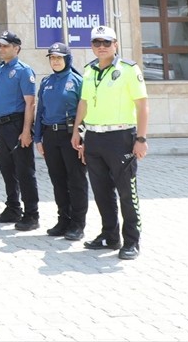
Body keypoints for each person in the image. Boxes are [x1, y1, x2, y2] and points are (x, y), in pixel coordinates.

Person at [72, 25, 149, 260]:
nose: (102, 47)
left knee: (127, 192)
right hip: (94, 137)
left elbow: (142, 105)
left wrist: (141, 139)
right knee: (101, 191)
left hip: (121, 137)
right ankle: (110, 235)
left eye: (107, 42)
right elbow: (84, 103)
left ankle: (132, 241)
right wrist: (77, 132)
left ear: (115, 44)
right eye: (97, 43)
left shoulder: (128, 69)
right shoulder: (89, 70)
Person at [34, 41, 88, 240]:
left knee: (76, 180)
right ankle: (63, 220)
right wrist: (38, 138)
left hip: (71, 136)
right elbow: (40, 110)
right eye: (52, 58)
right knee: (58, 180)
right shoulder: (46, 82)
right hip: (50, 136)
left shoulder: (77, 81)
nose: (55, 61)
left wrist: (83, 139)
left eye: (59, 58)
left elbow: (86, 112)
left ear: (67, 59)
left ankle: (78, 224)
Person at [0, 30, 40, 231]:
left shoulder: (23, 71)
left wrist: (26, 131)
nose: (1, 49)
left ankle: (32, 214)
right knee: (7, 169)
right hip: (1, 126)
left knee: (24, 170)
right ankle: (13, 208)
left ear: (16, 48)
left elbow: (30, 103)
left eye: (6, 46)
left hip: (17, 124)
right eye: (0, 46)